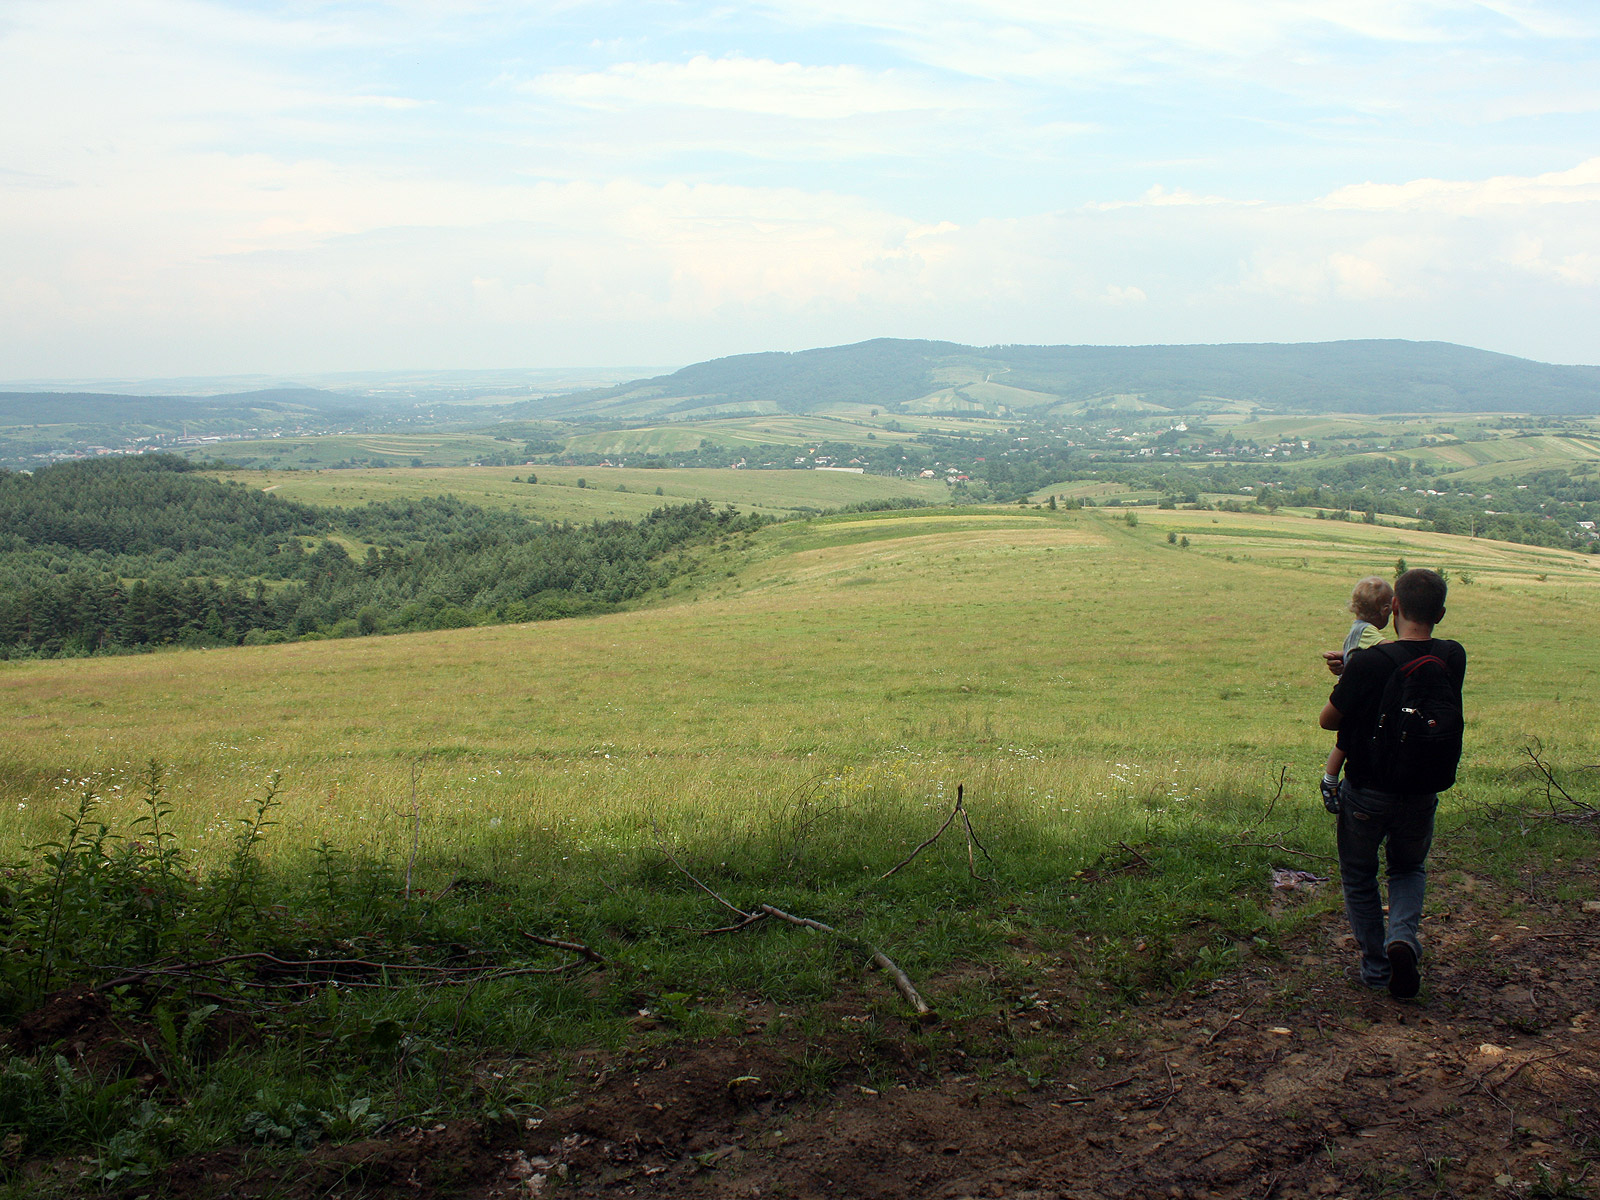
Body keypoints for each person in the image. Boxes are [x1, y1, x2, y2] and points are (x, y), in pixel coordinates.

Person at [1318, 568, 1466, 1000]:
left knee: (1360, 874)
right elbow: (1410, 678)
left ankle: (1377, 967)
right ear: (1440, 613)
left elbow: (1329, 721)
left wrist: (1350, 674)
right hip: (1422, 788)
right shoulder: (1452, 656)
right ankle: (1402, 936)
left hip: (1367, 787)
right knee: (1407, 868)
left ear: (1394, 607)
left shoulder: (1370, 662)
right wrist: (1356, 668)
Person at [1319, 576, 1394, 811]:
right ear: (1384, 609)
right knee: (1345, 740)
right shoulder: (1369, 632)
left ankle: (1330, 780)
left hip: (1348, 689)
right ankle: (1330, 781)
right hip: (1353, 693)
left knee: (1345, 739)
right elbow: (1392, 650)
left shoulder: (1356, 628)